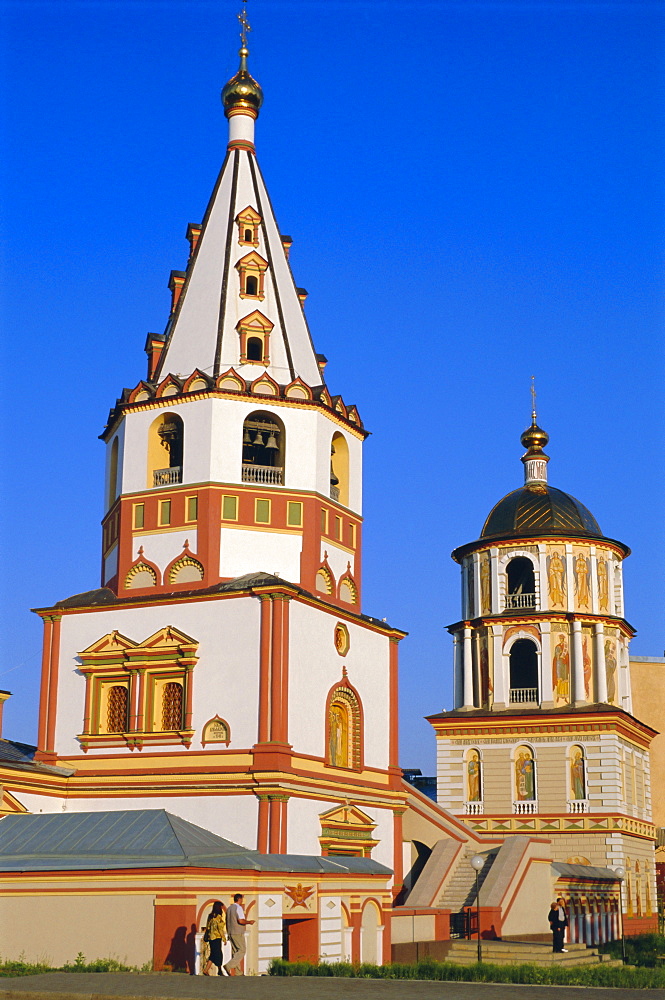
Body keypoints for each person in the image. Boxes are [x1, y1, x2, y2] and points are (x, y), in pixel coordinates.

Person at [224, 893, 255, 976]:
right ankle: (229, 965)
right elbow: (240, 921)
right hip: (238, 932)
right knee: (242, 950)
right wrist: (249, 922)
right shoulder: (238, 908)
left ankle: (238, 972)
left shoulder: (229, 908)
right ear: (239, 899)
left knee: (235, 952)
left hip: (230, 932)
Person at [201, 900, 227, 976]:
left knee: (213, 954)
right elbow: (220, 929)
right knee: (218, 954)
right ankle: (219, 969)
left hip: (210, 938)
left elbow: (208, 926)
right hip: (217, 937)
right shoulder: (218, 918)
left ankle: (207, 970)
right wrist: (224, 938)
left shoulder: (210, 916)